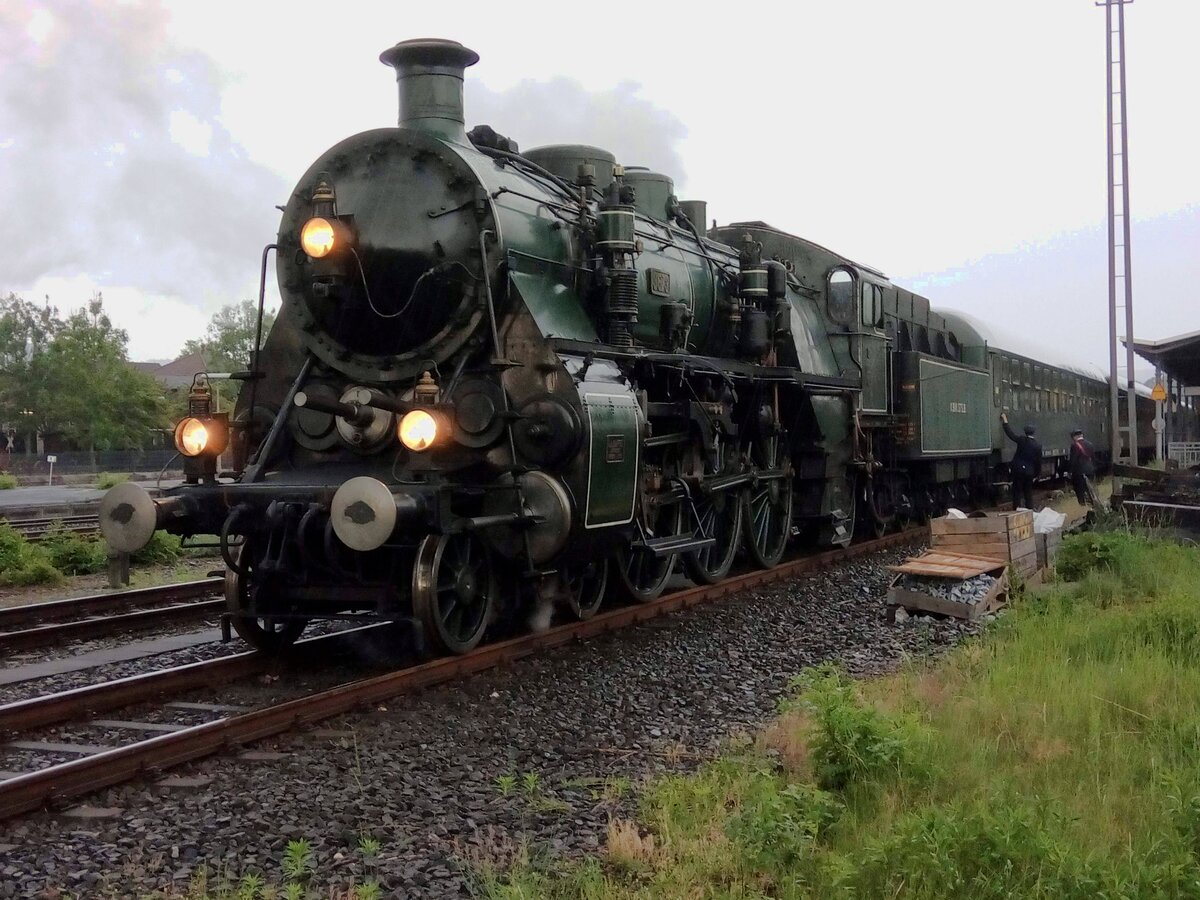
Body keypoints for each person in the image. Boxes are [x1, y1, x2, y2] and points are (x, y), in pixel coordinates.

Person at [1001, 412, 1040, 510]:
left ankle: (1016, 509)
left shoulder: (1022, 440)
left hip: (1018, 471)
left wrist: (1005, 421)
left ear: (1025, 432)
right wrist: (1036, 475)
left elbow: (1010, 434)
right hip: (1029, 472)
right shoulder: (1037, 446)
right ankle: (1030, 510)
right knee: (1028, 493)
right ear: (1033, 433)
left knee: (1017, 492)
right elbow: (1038, 462)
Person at [1069, 428, 1098, 506]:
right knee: (1090, 487)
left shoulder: (1074, 445)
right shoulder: (1090, 444)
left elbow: (1073, 460)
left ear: (1075, 437)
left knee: (1079, 489)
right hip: (1090, 469)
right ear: (1082, 435)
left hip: (1079, 471)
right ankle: (1092, 502)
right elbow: (1093, 458)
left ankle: (1082, 504)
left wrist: (1070, 471)